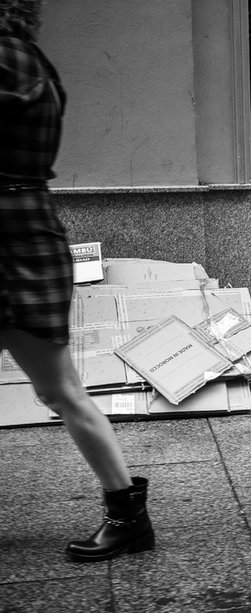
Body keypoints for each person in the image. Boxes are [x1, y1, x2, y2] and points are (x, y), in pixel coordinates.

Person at [0, 0, 154, 562]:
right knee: (60, 389)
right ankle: (127, 516)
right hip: (29, 231)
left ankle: (128, 517)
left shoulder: (7, 59)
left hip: (14, 236)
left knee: (60, 389)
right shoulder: (33, 60)